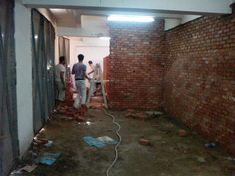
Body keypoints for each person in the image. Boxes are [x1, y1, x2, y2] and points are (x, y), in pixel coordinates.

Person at [72, 54, 90, 119]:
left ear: (78, 58)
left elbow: (73, 73)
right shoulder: (84, 66)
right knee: (84, 94)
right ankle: (82, 107)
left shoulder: (75, 65)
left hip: (76, 81)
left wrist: (77, 71)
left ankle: (75, 106)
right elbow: (84, 74)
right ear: (83, 58)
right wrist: (88, 78)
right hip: (82, 81)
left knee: (79, 94)